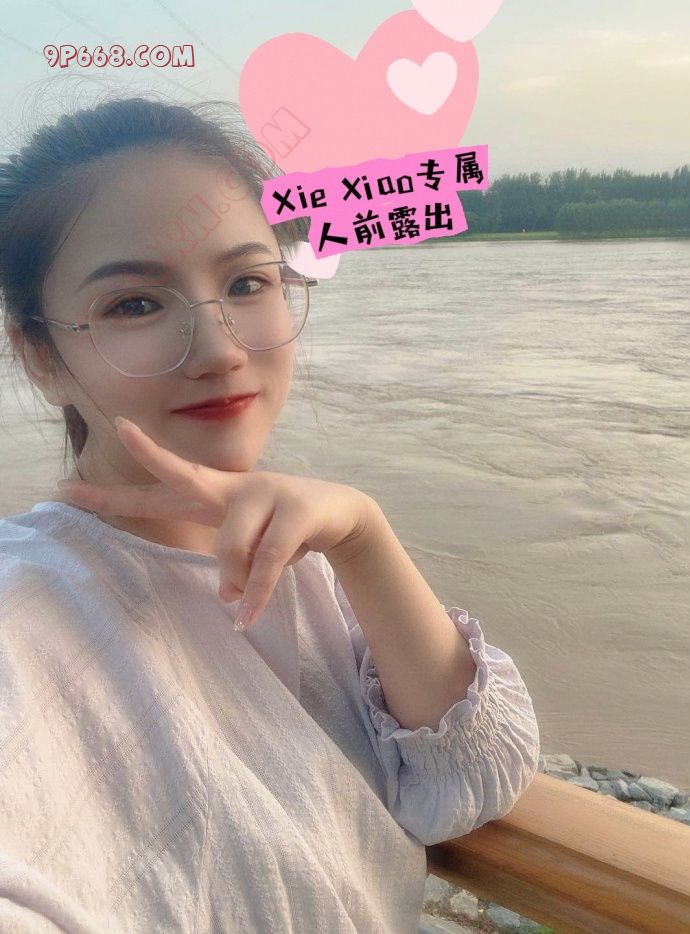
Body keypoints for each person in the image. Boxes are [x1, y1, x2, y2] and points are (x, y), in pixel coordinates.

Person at [0, 93, 540, 933]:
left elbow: (469, 780)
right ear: (41, 356)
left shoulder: (313, 563)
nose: (221, 350)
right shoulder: (29, 604)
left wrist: (364, 534)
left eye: (248, 283)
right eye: (135, 304)